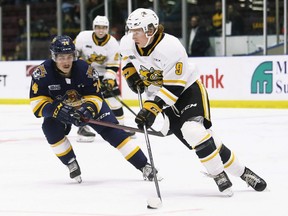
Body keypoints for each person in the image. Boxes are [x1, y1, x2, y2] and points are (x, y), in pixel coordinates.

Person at [119, 8, 267, 196]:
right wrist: (131, 75)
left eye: (137, 31)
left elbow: (174, 88)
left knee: (193, 131)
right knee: (204, 141)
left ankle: (218, 175)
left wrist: (150, 109)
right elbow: (126, 59)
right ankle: (244, 173)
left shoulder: (171, 47)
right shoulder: (127, 42)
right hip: (161, 98)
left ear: (150, 30)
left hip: (187, 91)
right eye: (131, 31)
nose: (133, 36)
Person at [29, 35, 162, 183]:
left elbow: (96, 96)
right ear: (54, 57)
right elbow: (36, 103)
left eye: (69, 56)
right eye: (61, 57)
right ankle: (70, 162)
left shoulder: (85, 69)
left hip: (87, 105)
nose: (66, 61)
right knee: (49, 128)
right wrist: (57, 111)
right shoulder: (42, 73)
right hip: (60, 108)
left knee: (114, 132)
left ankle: (144, 165)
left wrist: (88, 109)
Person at [74, 15, 135, 142]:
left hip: (103, 72)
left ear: (107, 28)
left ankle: (120, 127)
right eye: (98, 27)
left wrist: (109, 79)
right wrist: (79, 64)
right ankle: (83, 128)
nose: (101, 30)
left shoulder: (113, 43)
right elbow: (73, 54)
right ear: (93, 28)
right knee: (84, 101)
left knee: (114, 100)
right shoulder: (82, 37)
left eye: (104, 28)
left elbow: (113, 64)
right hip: (85, 73)